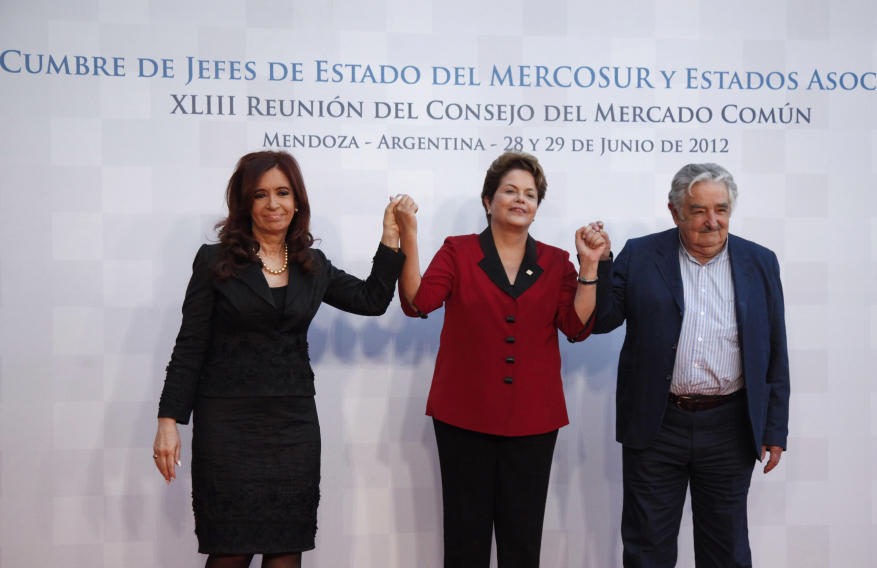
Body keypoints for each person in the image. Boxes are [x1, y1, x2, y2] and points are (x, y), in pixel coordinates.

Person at [152, 151, 407, 568]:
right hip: (228, 426)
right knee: (231, 551)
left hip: (294, 425)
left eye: (283, 193)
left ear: (297, 201)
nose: (274, 204)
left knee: (286, 549)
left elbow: (372, 299)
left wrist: (390, 236)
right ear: (245, 204)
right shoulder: (214, 262)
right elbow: (189, 346)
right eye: (261, 195)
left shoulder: (313, 265)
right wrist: (168, 421)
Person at [392, 152, 609, 568]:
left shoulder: (556, 260)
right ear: (488, 200)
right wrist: (410, 235)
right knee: (464, 541)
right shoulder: (458, 251)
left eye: (530, 194)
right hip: (463, 417)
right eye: (510, 190)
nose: (520, 199)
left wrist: (589, 265)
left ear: (538, 206)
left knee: (522, 542)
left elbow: (576, 327)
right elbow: (419, 302)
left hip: (533, 420)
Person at [593, 163, 790, 567]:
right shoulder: (641, 255)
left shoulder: (760, 262)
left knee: (726, 550)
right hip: (657, 423)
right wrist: (598, 263)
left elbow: (775, 349)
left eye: (721, 209)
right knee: (648, 548)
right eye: (699, 210)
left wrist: (775, 428)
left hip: (730, 426)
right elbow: (600, 322)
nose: (712, 221)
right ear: (675, 211)